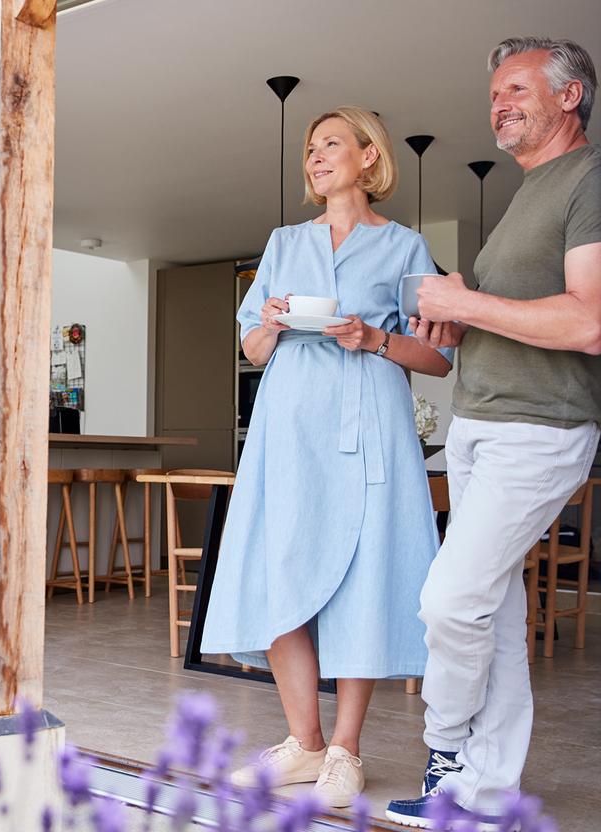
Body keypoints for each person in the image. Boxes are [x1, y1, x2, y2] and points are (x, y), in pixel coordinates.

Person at [200, 106, 453, 808]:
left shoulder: (404, 246)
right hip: (288, 427)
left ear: (370, 157)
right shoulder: (283, 243)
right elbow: (249, 346)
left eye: (330, 144)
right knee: (280, 566)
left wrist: (372, 338)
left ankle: (346, 750)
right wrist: (274, 322)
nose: (314, 157)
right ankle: (304, 743)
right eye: (309, 148)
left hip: (369, 421)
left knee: (364, 575)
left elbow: (435, 355)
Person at [386, 37, 601, 828]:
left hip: (538, 429)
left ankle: (446, 752)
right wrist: (453, 322)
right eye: (494, 97)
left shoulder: (589, 178)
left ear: (570, 96)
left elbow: (589, 321)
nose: (497, 106)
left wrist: (464, 301)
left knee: (451, 599)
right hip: (478, 423)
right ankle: (489, 792)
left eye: (515, 90)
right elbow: (514, 322)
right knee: (494, 614)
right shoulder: (529, 193)